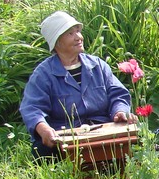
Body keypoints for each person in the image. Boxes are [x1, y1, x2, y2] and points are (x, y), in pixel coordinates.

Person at [20, 10, 136, 159]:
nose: (78, 37)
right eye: (70, 34)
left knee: (132, 143)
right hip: (65, 136)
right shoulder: (43, 74)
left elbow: (117, 94)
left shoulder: (98, 66)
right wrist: (43, 128)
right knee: (42, 151)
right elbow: (32, 108)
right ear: (57, 42)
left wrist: (119, 111)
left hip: (103, 131)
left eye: (78, 32)